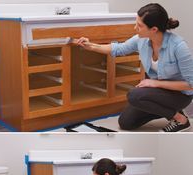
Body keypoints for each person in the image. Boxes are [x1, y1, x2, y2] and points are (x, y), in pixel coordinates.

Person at [76, 3, 193, 132]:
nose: (135, 27)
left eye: (140, 25)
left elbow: (190, 85)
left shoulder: (178, 46)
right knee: (126, 122)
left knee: (134, 96)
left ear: (154, 29)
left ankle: (180, 119)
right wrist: (90, 46)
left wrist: (155, 83)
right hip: (159, 93)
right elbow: (119, 49)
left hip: (179, 95)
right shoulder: (141, 40)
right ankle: (169, 110)